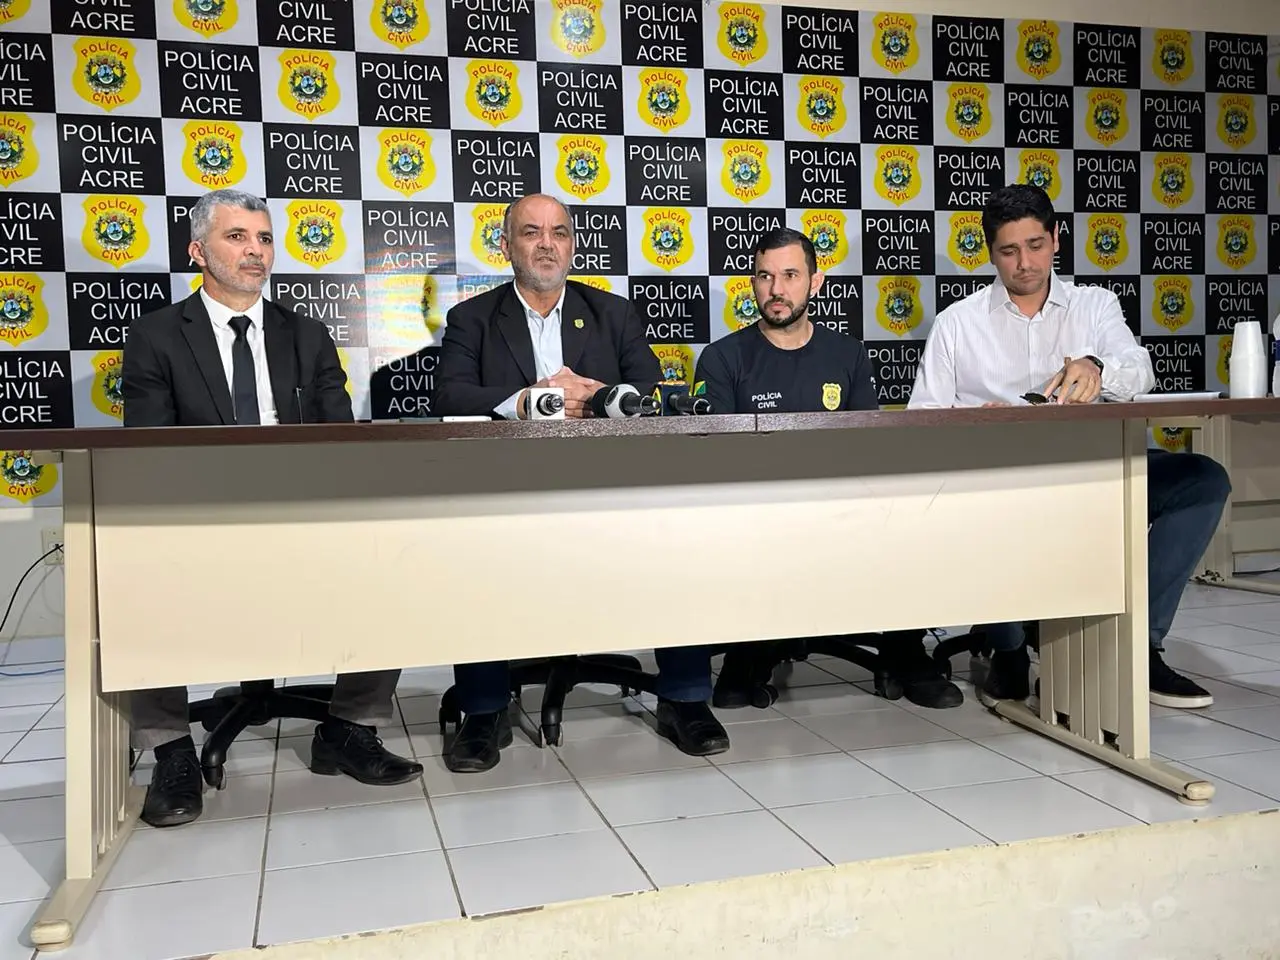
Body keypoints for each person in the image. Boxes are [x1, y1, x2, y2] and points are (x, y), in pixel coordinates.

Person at [121, 189, 422, 828]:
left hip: (302, 510)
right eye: (237, 237)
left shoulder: (306, 335)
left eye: (263, 238)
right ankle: (171, 751)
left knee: (390, 557)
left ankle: (350, 729)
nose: (255, 251)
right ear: (198, 251)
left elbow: (340, 441)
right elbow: (148, 451)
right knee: (134, 569)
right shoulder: (156, 336)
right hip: (200, 516)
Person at [432, 192, 729, 771]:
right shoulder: (473, 318)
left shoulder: (612, 313)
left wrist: (597, 395)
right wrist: (528, 401)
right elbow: (449, 397)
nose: (547, 244)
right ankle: (484, 709)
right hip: (508, 489)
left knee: (677, 537)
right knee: (470, 546)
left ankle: (686, 698)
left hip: (605, 486)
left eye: (559, 232)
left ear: (573, 245)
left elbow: (652, 394)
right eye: (531, 232)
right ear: (506, 245)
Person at [908, 183, 1230, 709]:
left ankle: (1138, 644)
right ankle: (1008, 648)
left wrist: (1097, 367)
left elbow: (1141, 371)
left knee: (1203, 480)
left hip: (1097, 471)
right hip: (1001, 480)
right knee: (982, 497)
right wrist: (970, 424)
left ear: (1056, 239)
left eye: (1036, 245)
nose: (1024, 263)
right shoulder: (956, 324)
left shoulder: (1095, 305)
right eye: (1009, 251)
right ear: (990, 253)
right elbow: (922, 422)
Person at [694, 227, 964, 710]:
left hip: (843, 505)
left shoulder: (847, 353)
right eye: (764, 276)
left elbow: (869, 447)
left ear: (815, 282)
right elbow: (716, 462)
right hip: (756, 512)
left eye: (790, 275)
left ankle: (906, 651)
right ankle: (746, 653)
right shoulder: (722, 358)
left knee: (912, 510)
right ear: (752, 283)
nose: (776, 289)